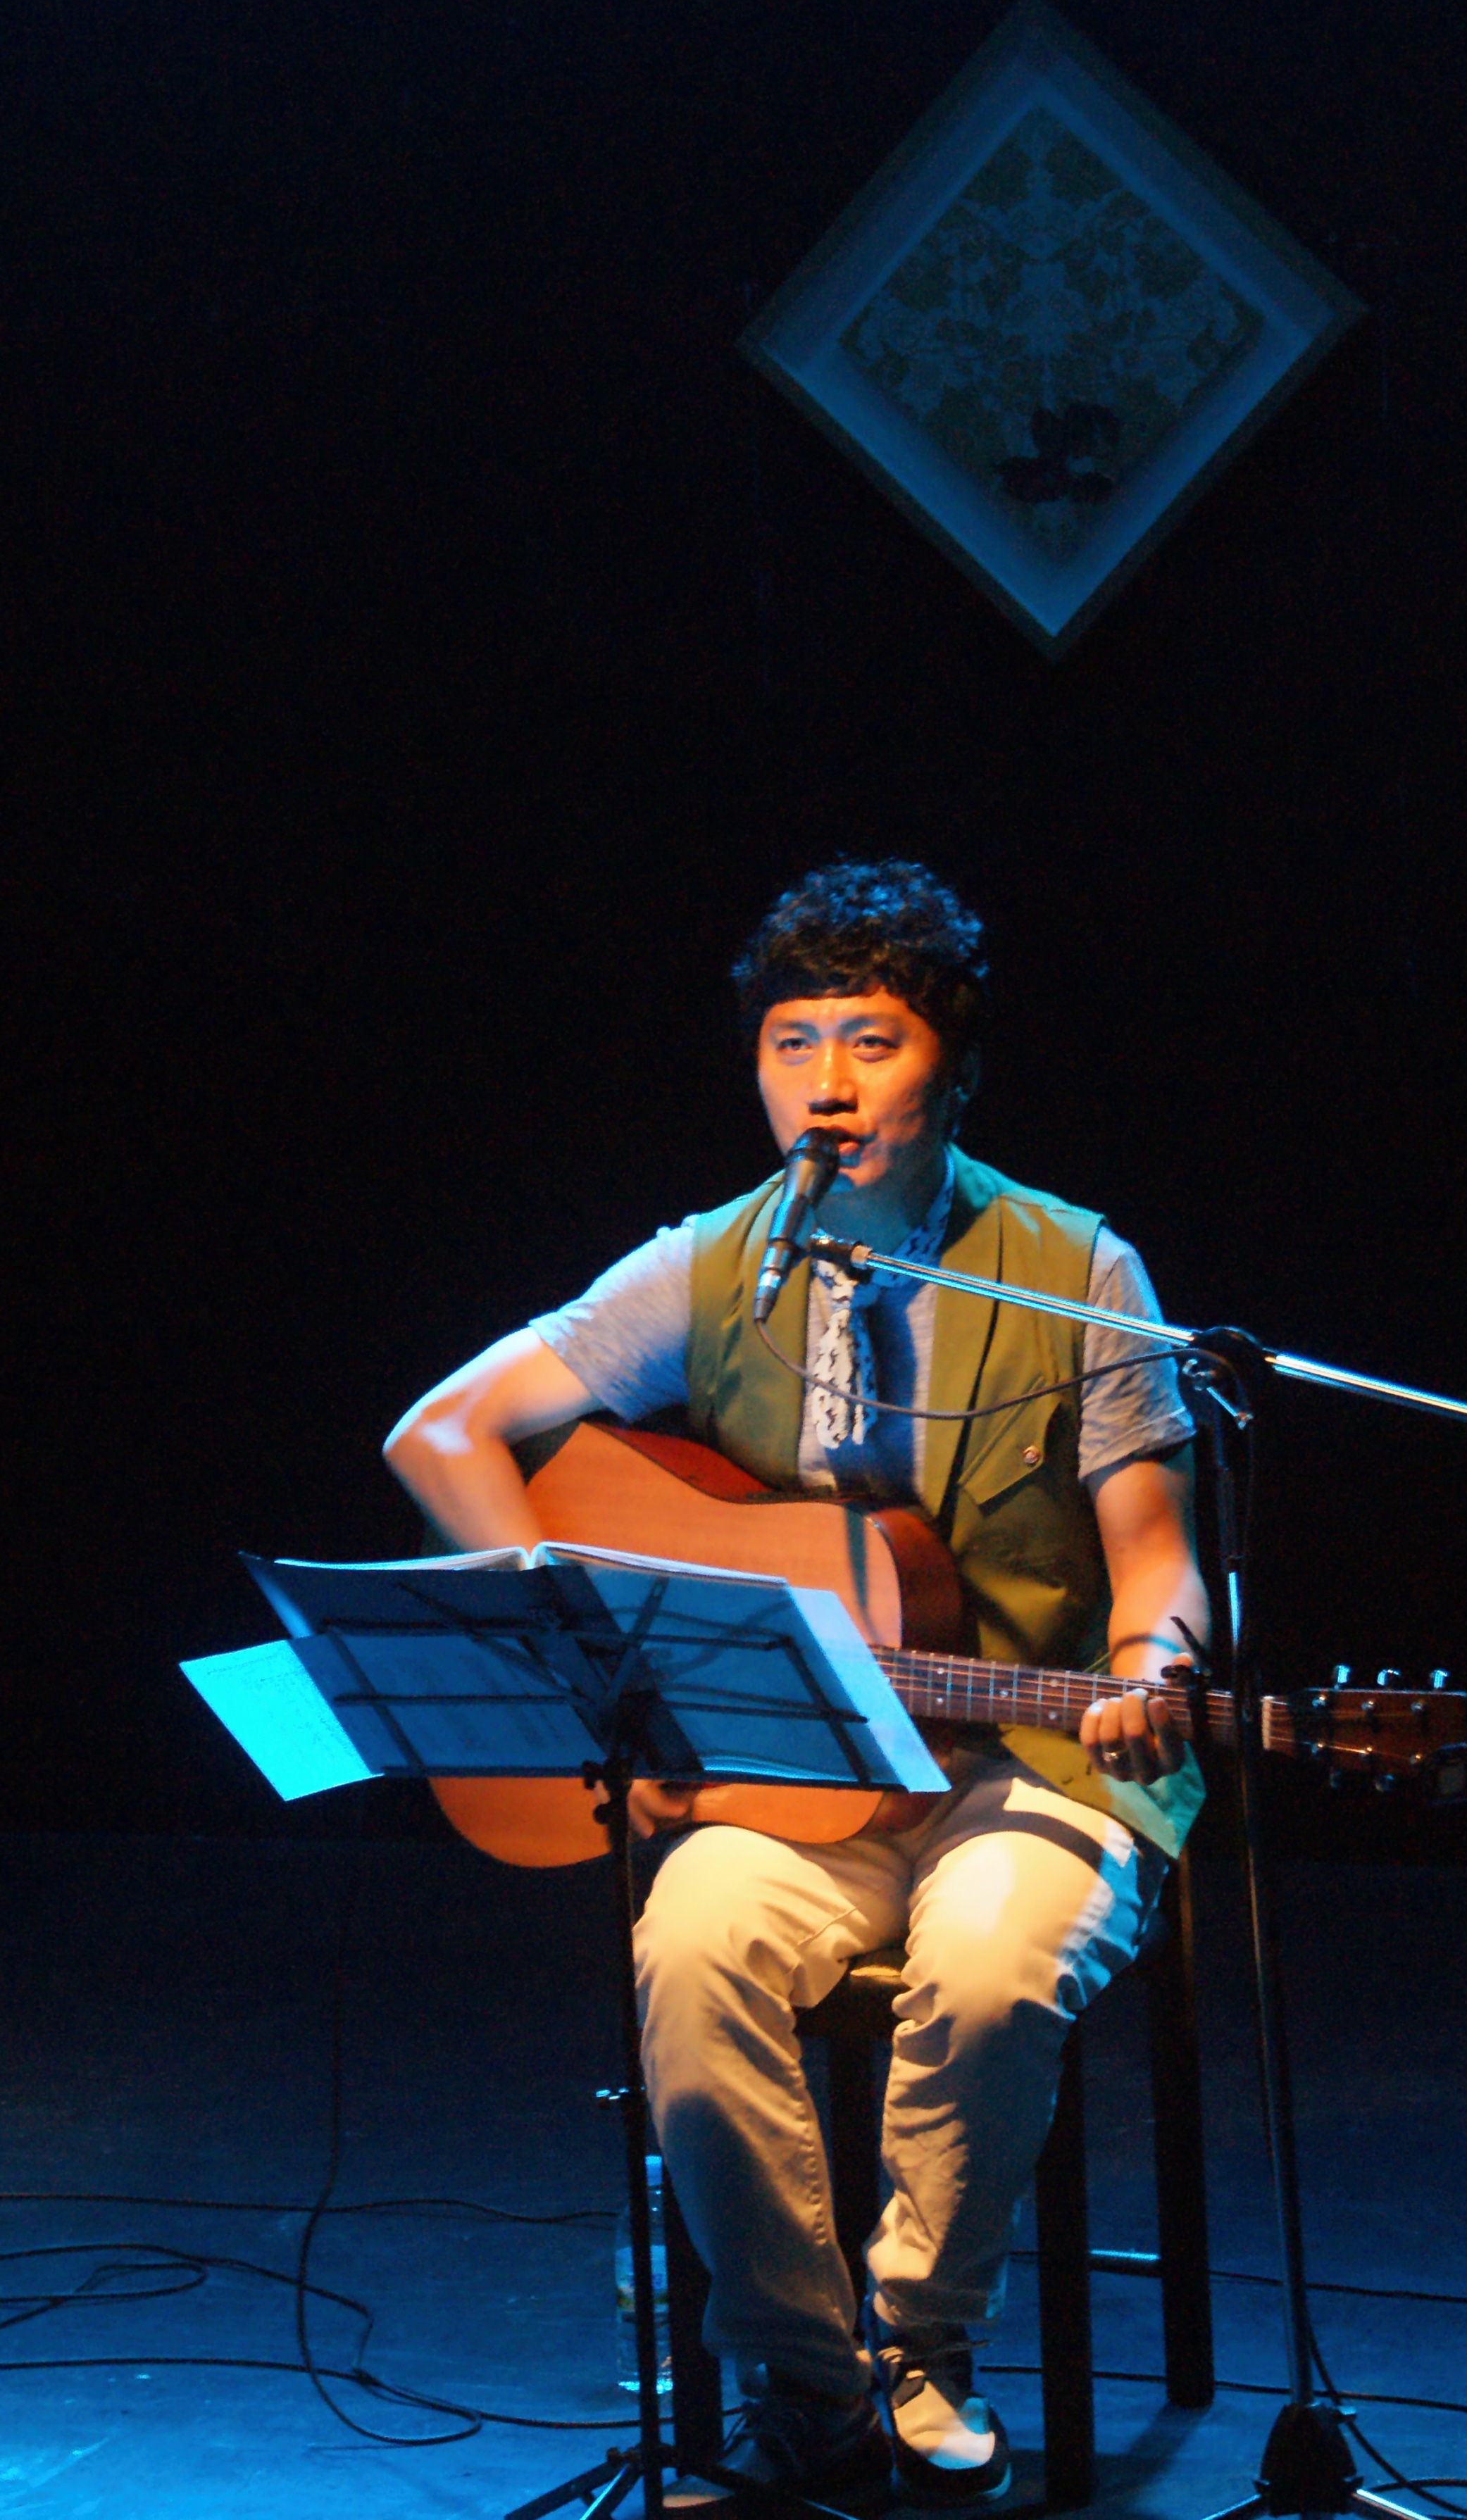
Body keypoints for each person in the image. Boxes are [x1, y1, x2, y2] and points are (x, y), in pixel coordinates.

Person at [385, 860, 1209, 2512]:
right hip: (797, 1774)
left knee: (986, 1963)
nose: (825, 1083)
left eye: (871, 1041)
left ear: (952, 1070)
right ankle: (803, 2376)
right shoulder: (708, 1266)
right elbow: (441, 1432)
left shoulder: (1074, 1267)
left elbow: (1158, 1557)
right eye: (790, 1043)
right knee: (690, 1944)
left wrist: (1151, 1666)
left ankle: (916, 2344)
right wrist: (588, 1658)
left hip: (1030, 1762)